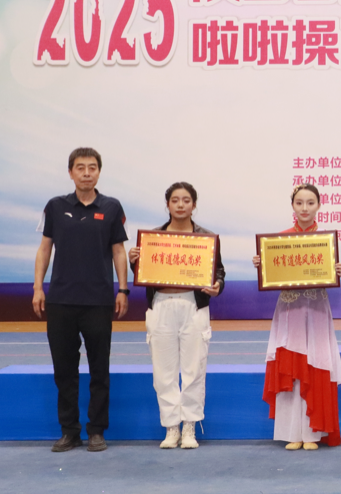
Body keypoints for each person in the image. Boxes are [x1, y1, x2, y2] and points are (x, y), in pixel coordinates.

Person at [33, 147, 128, 453]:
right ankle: (69, 431)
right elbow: (44, 249)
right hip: (61, 300)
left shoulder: (111, 207)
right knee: (64, 370)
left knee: (100, 369)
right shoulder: (55, 206)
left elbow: (118, 251)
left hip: (99, 301)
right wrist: (38, 287)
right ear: (71, 172)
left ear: (99, 172)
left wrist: (123, 290)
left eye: (92, 167)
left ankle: (97, 430)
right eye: (80, 168)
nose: (87, 173)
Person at [128, 182, 224, 450]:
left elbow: (219, 272)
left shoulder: (207, 238)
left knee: (194, 370)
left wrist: (217, 286)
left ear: (194, 205)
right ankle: (171, 427)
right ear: (167, 204)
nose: (180, 205)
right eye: (175, 200)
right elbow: (144, 273)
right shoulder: (153, 239)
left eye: (186, 200)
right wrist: (135, 261)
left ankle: (190, 426)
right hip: (161, 305)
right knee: (163, 372)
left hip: (193, 307)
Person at [254, 184, 341, 450]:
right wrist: (263, 265)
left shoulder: (326, 241)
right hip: (289, 309)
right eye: (299, 203)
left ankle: (313, 433)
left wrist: (335, 269)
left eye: (310, 203)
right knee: (291, 366)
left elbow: (329, 274)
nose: (305, 208)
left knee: (316, 364)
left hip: (316, 309)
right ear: (292, 206)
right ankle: (292, 432)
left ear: (319, 205)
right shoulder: (279, 241)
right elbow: (273, 274)